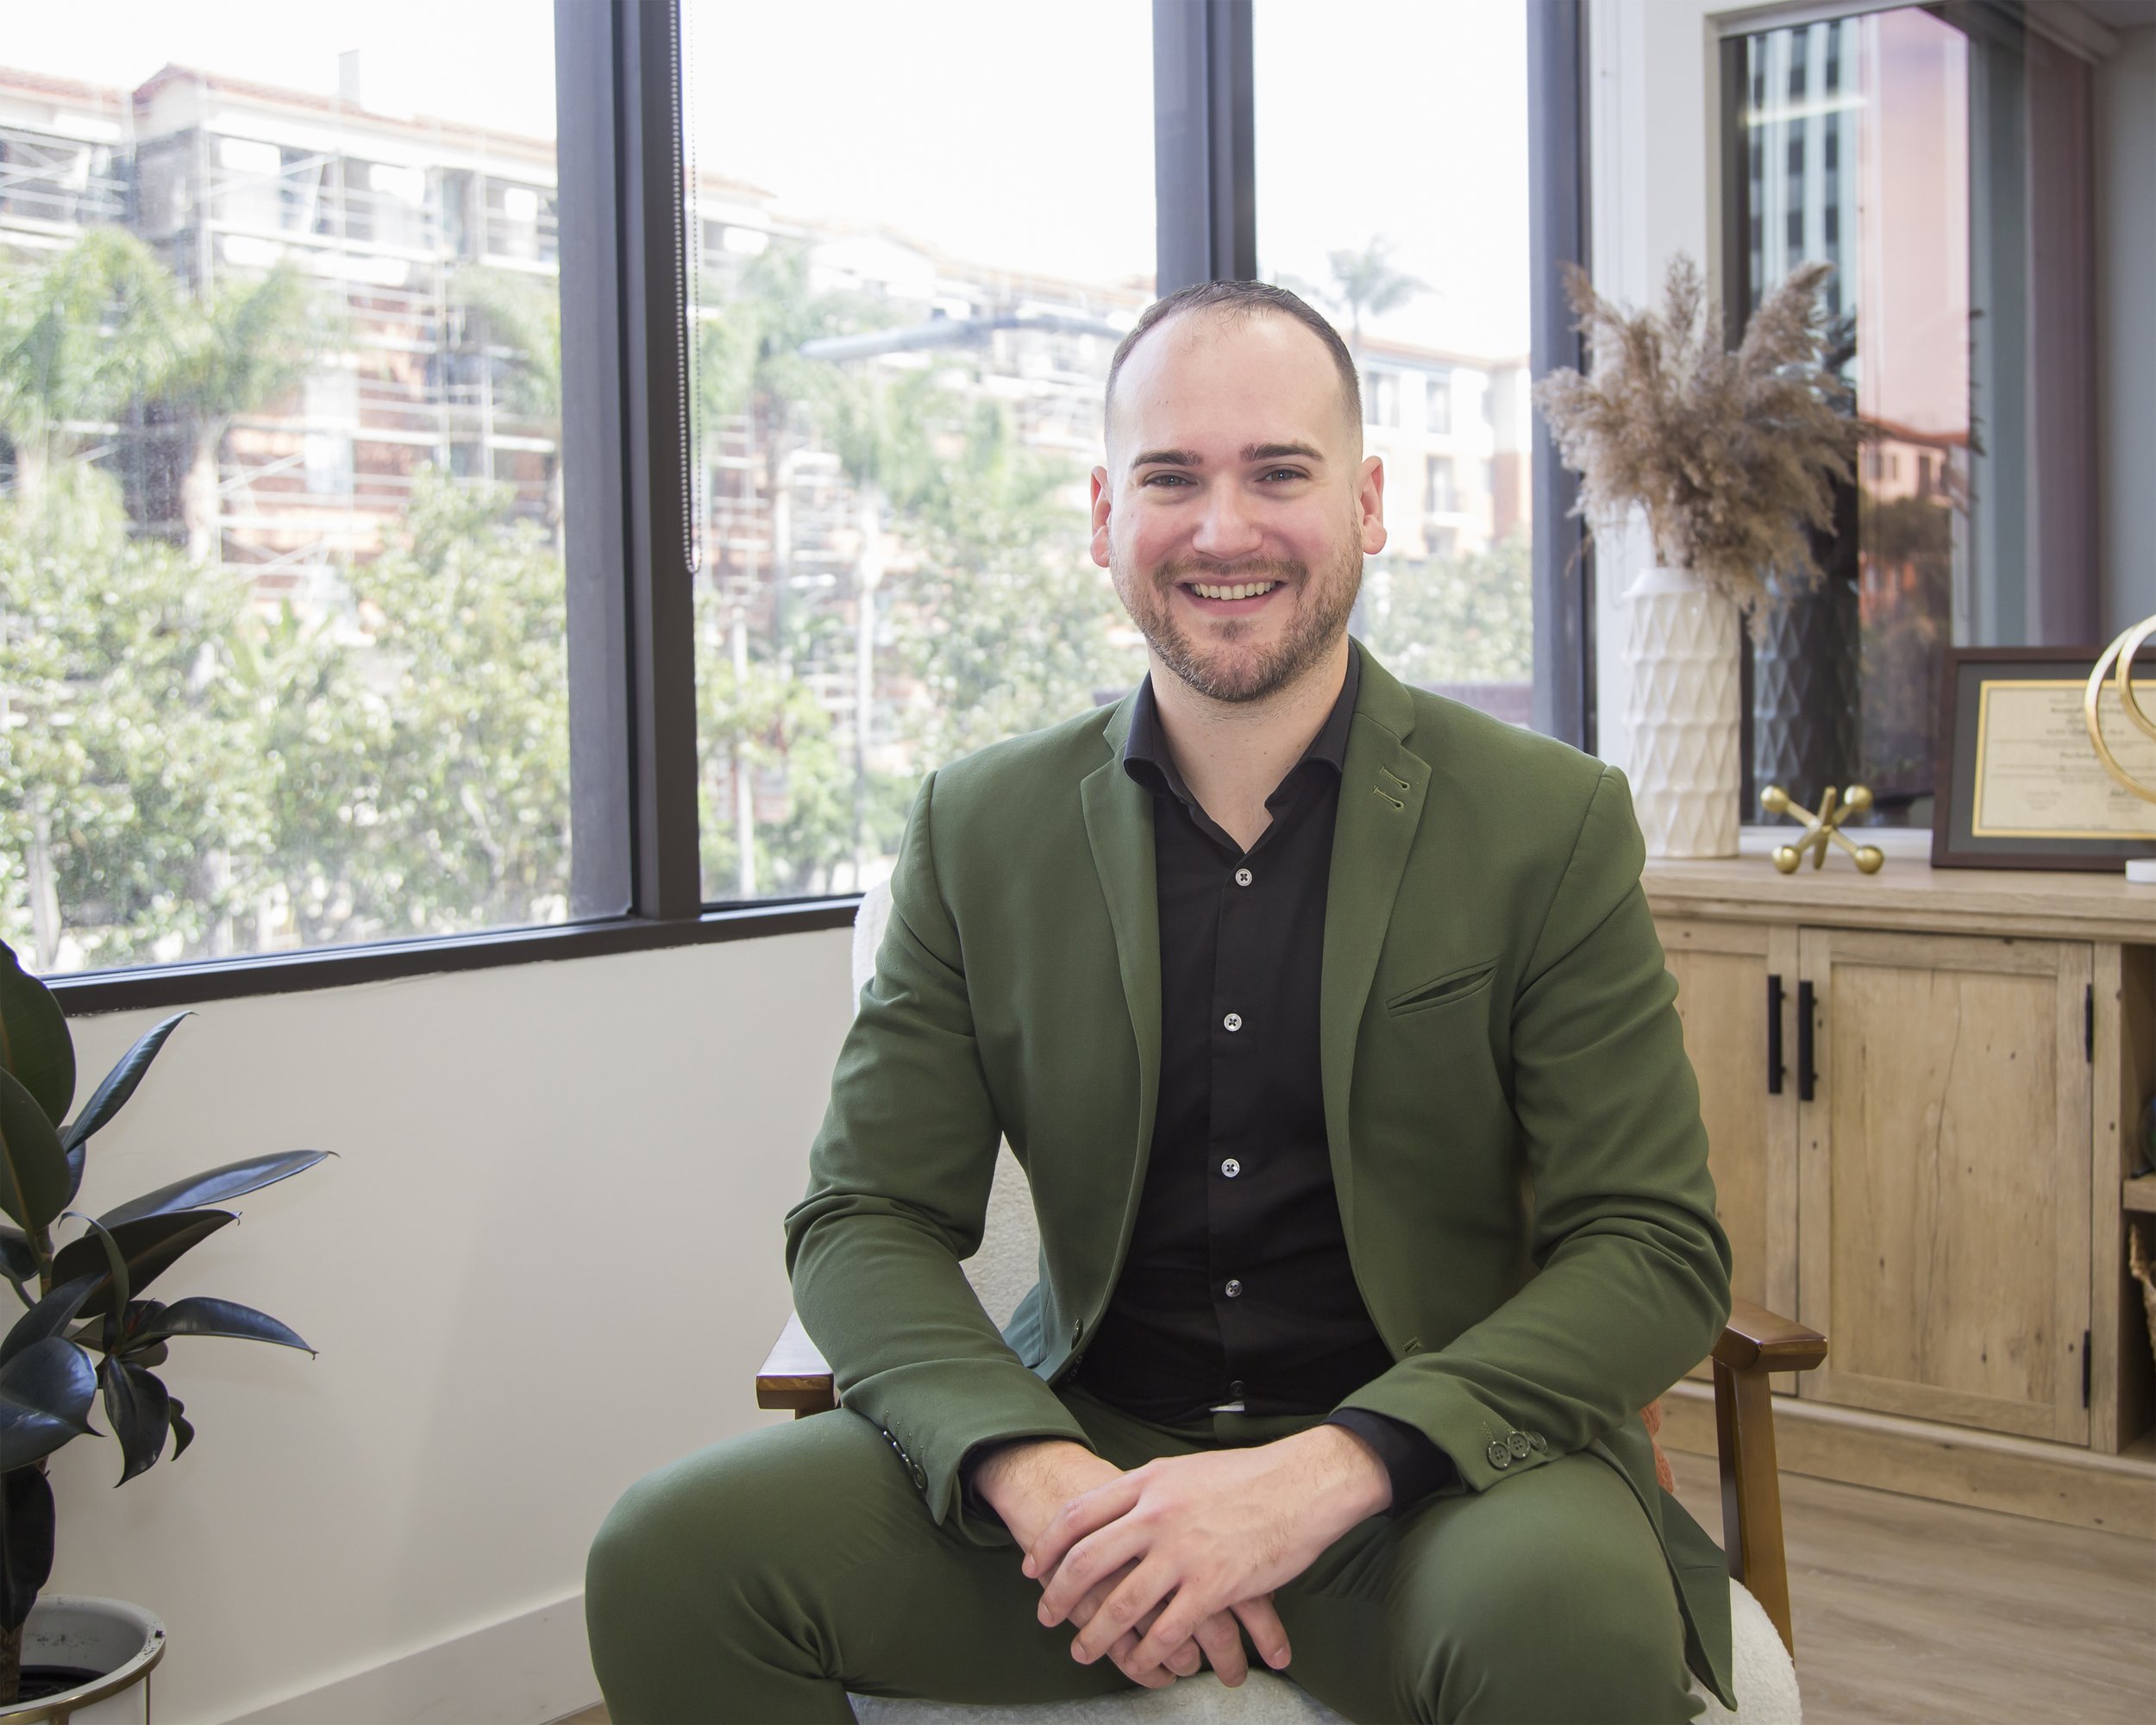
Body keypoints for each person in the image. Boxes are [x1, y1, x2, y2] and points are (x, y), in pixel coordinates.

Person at [586, 280, 1736, 1724]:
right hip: (1086, 1471)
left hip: (1434, 1486)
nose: (1223, 528)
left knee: (1570, 1629)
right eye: (1172, 478)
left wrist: (1326, 1473)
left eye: (1280, 473)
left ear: (1368, 503)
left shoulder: (1547, 821)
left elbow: (1653, 1244)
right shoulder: (977, 829)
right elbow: (863, 1217)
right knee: (670, 1559)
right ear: (1103, 516)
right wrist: (1034, 1474)